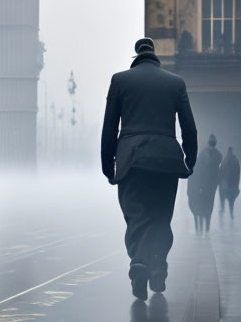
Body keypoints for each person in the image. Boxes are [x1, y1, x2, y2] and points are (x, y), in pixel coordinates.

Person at [101, 38, 197, 300]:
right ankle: (158, 268)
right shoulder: (175, 83)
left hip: (131, 160)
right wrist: (190, 158)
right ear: (155, 57)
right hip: (166, 160)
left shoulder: (120, 80)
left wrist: (107, 163)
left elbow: (110, 125)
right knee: (160, 216)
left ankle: (139, 262)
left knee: (136, 215)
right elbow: (188, 125)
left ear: (136, 56)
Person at [190, 134, 222, 233]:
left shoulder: (203, 154)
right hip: (210, 186)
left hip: (204, 186)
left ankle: (201, 228)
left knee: (203, 204)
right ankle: (206, 228)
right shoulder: (218, 155)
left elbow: (197, 170)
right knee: (208, 205)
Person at [219, 147, 240, 220]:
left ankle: (223, 210)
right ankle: (230, 214)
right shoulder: (235, 161)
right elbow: (238, 174)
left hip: (225, 186)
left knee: (223, 198)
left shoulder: (225, 161)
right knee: (231, 202)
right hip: (232, 186)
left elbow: (221, 173)